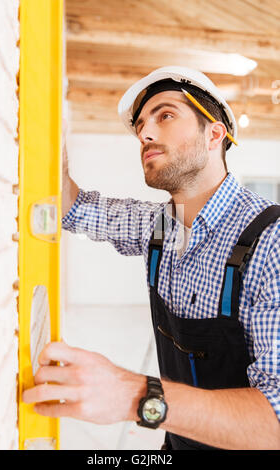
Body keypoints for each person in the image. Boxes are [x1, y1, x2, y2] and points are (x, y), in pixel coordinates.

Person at [23, 67, 280, 450]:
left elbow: (274, 425)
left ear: (214, 135)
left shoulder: (270, 241)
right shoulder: (159, 226)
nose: (144, 134)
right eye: (141, 125)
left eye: (165, 115)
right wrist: (40, 116)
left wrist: (132, 395)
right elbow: (72, 205)